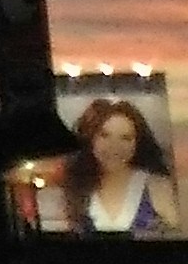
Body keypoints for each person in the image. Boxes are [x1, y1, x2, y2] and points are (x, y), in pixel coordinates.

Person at [64, 98, 183, 237]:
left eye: (126, 138)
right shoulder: (73, 187)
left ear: (137, 143)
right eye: (104, 135)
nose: (114, 146)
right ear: (90, 139)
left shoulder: (157, 187)